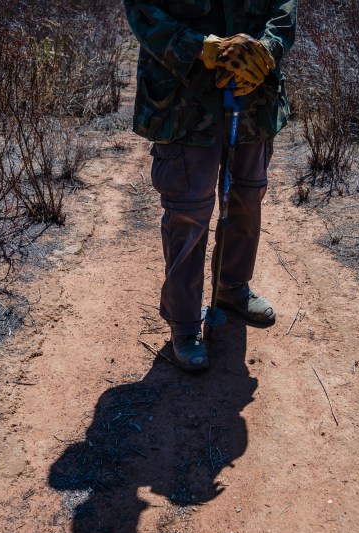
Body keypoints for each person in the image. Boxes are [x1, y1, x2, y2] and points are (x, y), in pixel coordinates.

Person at [123, 0, 297, 371]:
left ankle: (231, 288)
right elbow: (142, 9)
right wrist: (199, 48)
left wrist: (266, 49)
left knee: (247, 197)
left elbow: (284, 7)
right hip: (183, 94)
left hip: (253, 92)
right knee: (189, 210)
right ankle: (184, 322)